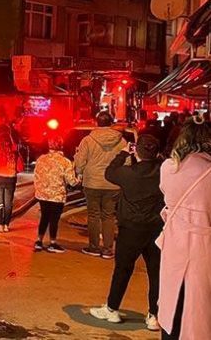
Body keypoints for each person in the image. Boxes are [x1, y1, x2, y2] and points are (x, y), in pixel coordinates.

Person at [89, 135, 164, 331]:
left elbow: (109, 172)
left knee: (122, 270)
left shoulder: (127, 173)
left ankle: (112, 309)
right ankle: (154, 315)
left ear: (136, 150)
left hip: (130, 228)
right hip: (156, 228)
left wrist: (123, 154)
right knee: (156, 272)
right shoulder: (163, 172)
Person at [157, 117, 211, 339]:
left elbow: (166, 193)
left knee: (172, 294)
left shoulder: (169, 167)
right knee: (198, 298)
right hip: (203, 244)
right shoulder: (208, 171)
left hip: (174, 240)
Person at [74, 111, 127, 258]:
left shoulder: (88, 140)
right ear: (111, 123)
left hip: (92, 183)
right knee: (108, 216)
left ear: (96, 122)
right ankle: (108, 249)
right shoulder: (121, 141)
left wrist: (79, 172)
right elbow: (127, 161)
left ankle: (94, 247)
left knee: (93, 215)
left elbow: (80, 162)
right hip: (112, 183)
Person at [33, 135, 79, 252]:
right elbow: (72, 182)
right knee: (54, 219)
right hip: (57, 195)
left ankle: (39, 240)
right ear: (61, 145)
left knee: (44, 216)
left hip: (42, 194)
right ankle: (52, 242)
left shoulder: (41, 159)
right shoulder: (65, 162)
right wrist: (79, 179)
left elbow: (36, 176)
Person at [0, 123, 23, 232]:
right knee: (8, 203)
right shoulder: (14, 152)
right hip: (10, 179)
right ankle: (6, 224)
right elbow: (20, 168)